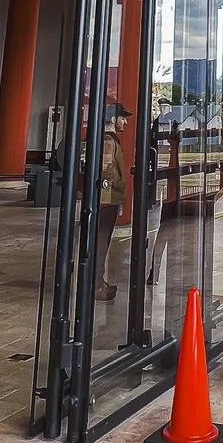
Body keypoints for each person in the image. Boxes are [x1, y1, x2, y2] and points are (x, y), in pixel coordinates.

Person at [95, 104, 129, 301]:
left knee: (102, 240)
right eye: (121, 118)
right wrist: (114, 193)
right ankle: (97, 285)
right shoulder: (109, 141)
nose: (124, 121)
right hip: (106, 201)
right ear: (113, 120)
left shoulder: (108, 140)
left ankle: (98, 281)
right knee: (101, 241)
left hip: (106, 199)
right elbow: (106, 170)